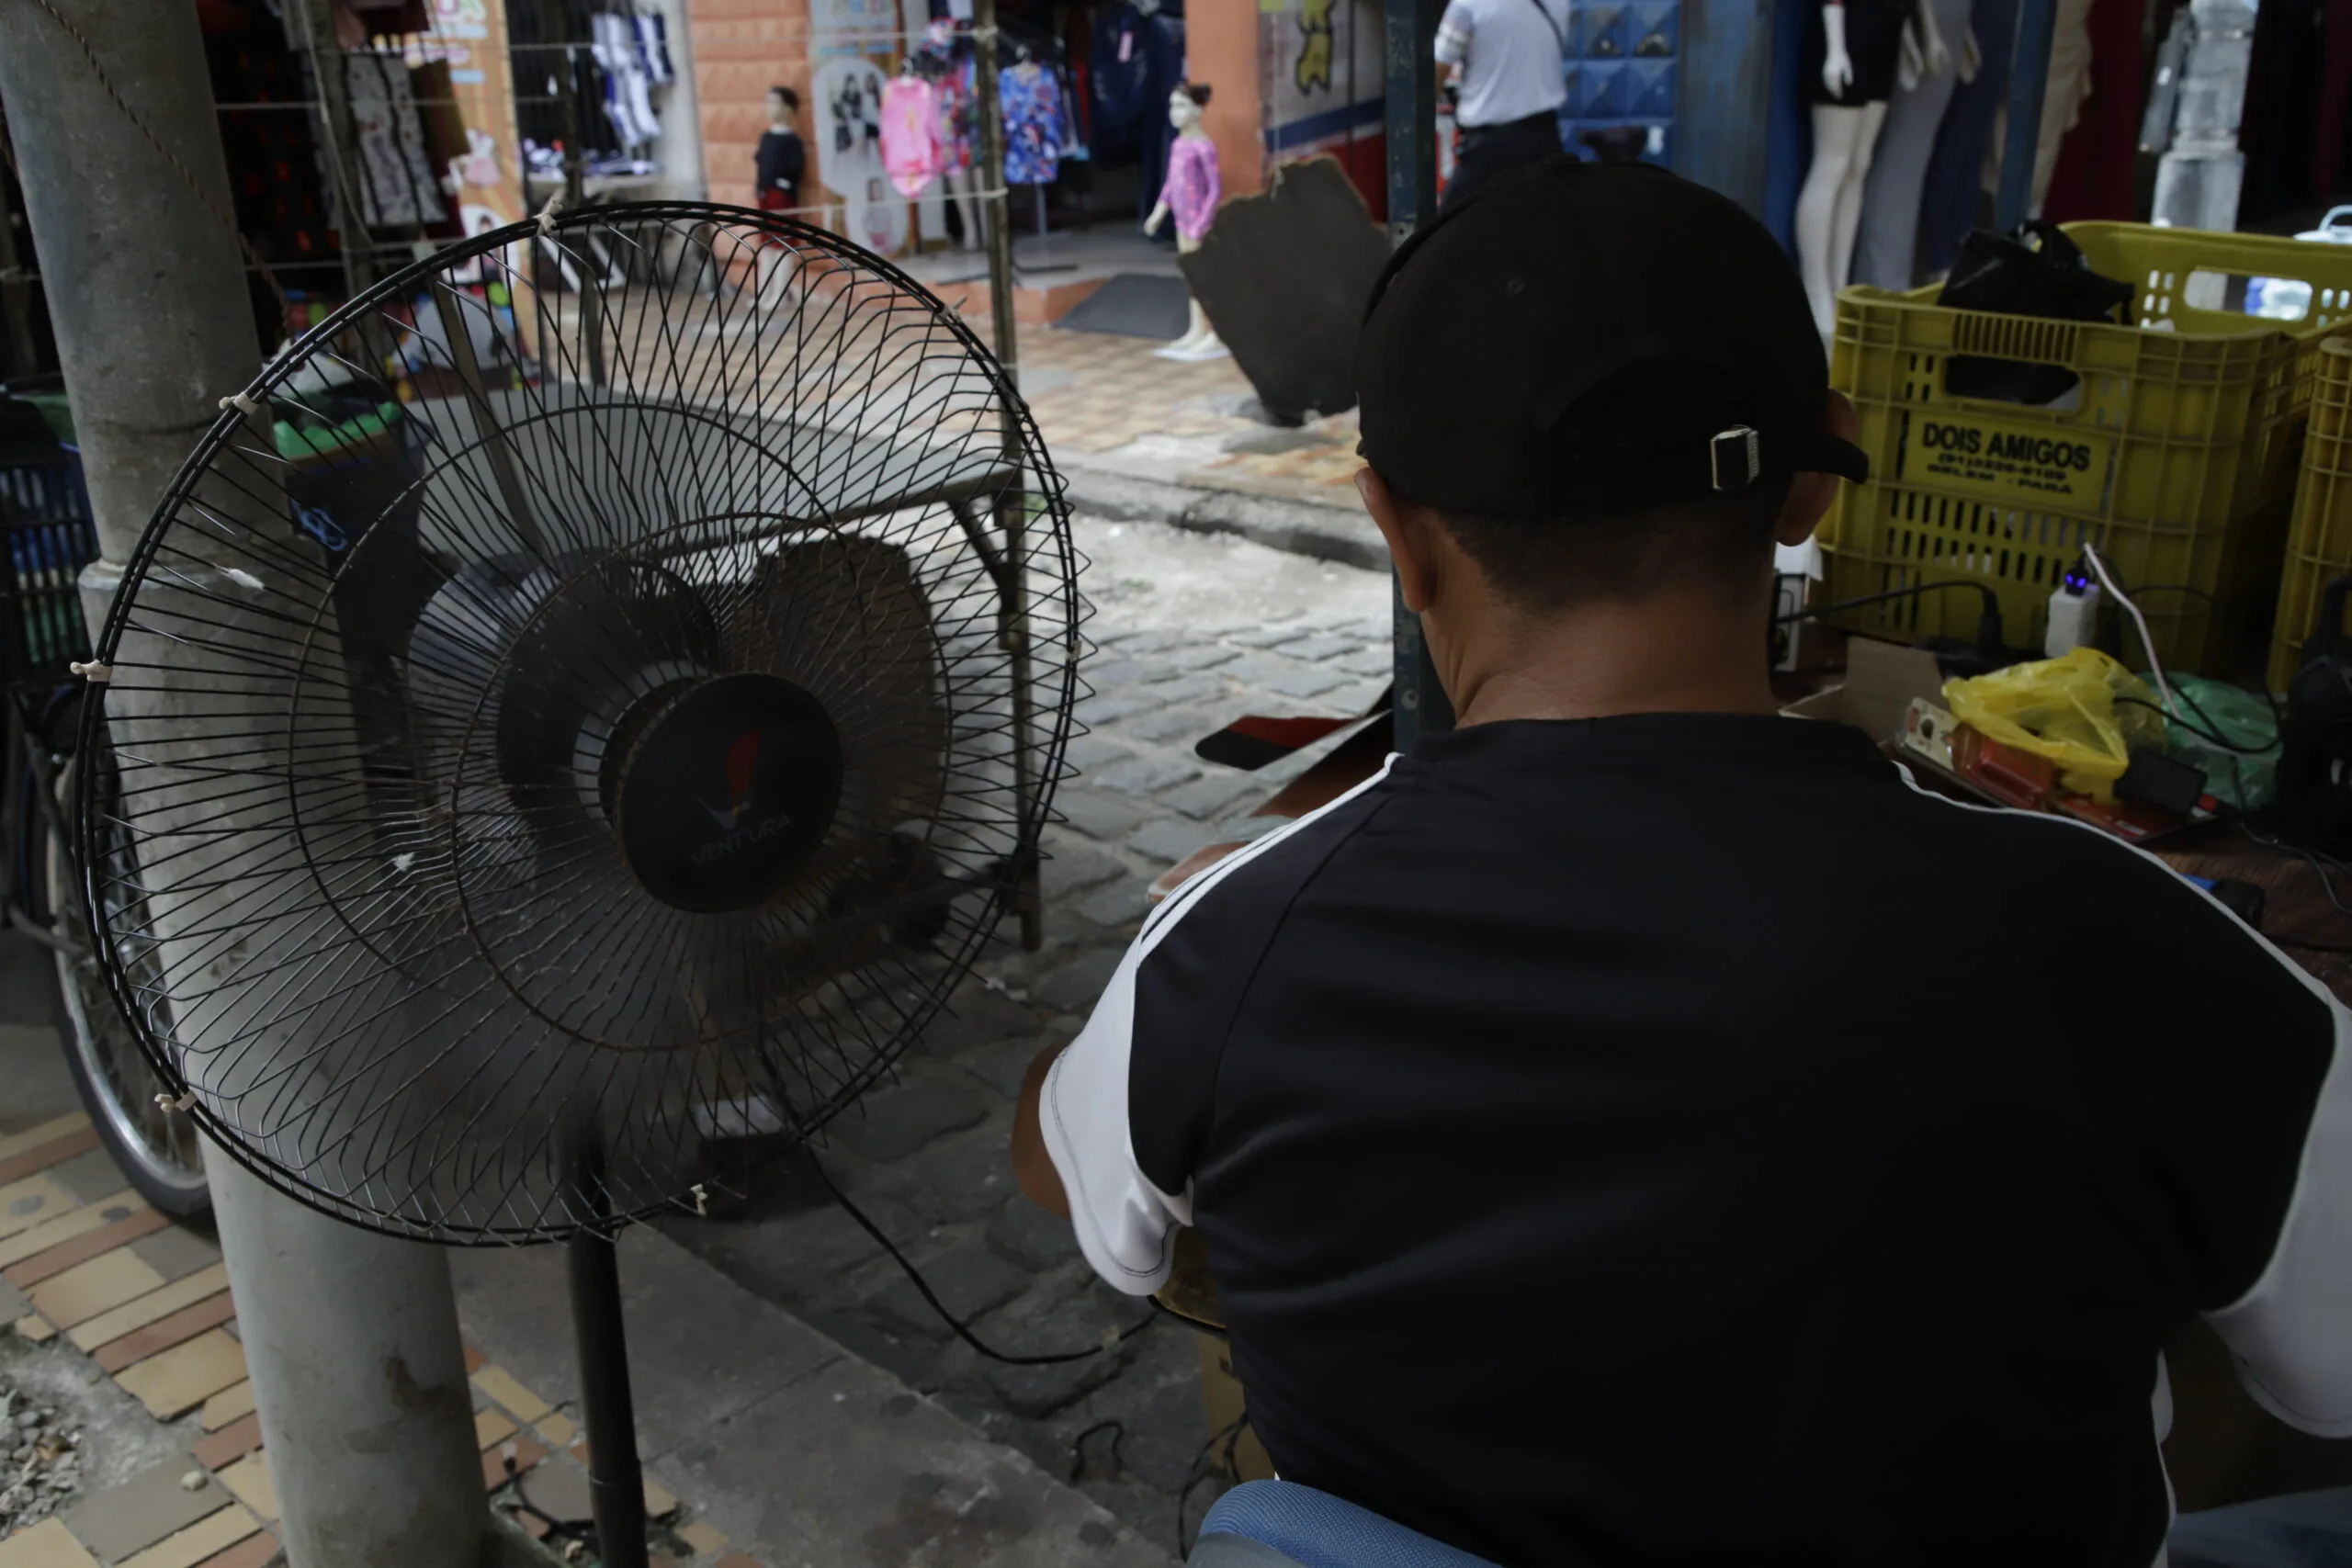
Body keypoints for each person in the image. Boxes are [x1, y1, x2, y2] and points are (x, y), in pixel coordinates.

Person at [1012, 158, 2352, 1567]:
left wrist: (1196, 942)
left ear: (1395, 528)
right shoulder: (2132, 953)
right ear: (1809, 487)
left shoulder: (1235, 949)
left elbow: (1060, 1159)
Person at [1431, 0, 1567, 212]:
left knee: (1443, 232)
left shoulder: (1468, 6)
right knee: (1543, 228)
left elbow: (1433, 77)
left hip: (1490, 150)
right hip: (1545, 138)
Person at [755, 85, 806, 212]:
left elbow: (796, 167)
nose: (769, 107)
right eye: (768, 102)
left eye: (774, 102)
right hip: (764, 195)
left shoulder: (792, 140)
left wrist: (784, 186)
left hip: (782, 196)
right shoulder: (766, 137)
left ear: (788, 108)